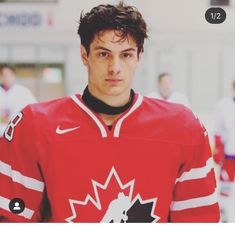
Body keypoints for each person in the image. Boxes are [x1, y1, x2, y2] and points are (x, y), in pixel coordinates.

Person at [0, 2, 219, 222]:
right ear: (84, 55)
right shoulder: (33, 126)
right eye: (104, 54)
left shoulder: (182, 128)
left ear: (139, 57)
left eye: (126, 55)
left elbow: (198, 219)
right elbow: (12, 217)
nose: (115, 67)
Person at [213, 80, 235, 222]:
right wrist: (218, 148)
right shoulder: (223, 105)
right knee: (226, 186)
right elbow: (218, 129)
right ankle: (224, 214)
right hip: (230, 153)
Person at [0, 65, 36, 136]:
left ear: (13, 76)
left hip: (18, 129)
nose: (6, 77)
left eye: (9, 74)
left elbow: (33, 109)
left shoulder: (23, 91)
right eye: (3, 75)